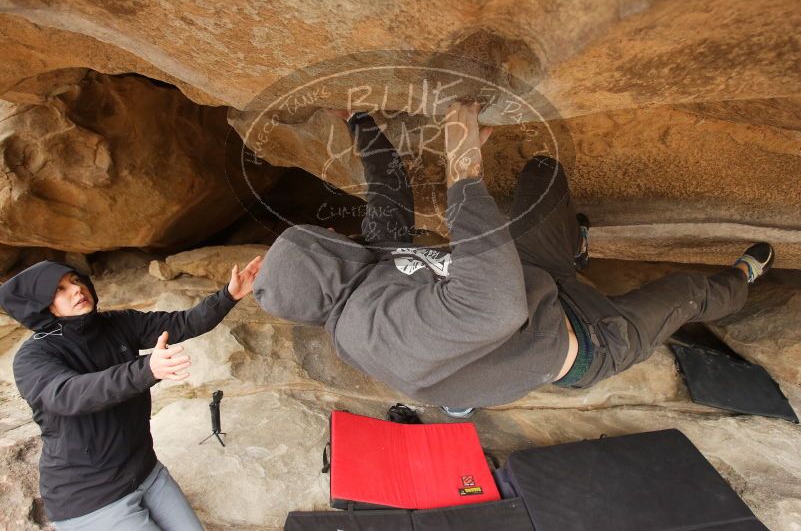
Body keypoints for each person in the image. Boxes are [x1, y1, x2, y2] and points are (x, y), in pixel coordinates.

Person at [252, 101, 774, 419]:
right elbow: (494, 307)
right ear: (321, 267)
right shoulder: (374, 333)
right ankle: (740, 281)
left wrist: (359, 120)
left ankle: (573, 254)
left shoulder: (370, 259)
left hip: (537, 279)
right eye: (319, 236)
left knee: (543, 176)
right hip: (586, 340)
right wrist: (462, 168)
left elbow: (388, 188)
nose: (328, 229)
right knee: (686, 293)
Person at [0, 255, 262, 530]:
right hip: (90, 498)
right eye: (60, 289)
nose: (76, 289)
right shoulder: (33, 357)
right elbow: (69, 394)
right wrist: (146, 368)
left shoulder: (116, 324)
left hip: (146, 472)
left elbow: (184, 322)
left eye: (76, 281)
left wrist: (229, 296)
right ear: (45, 306)